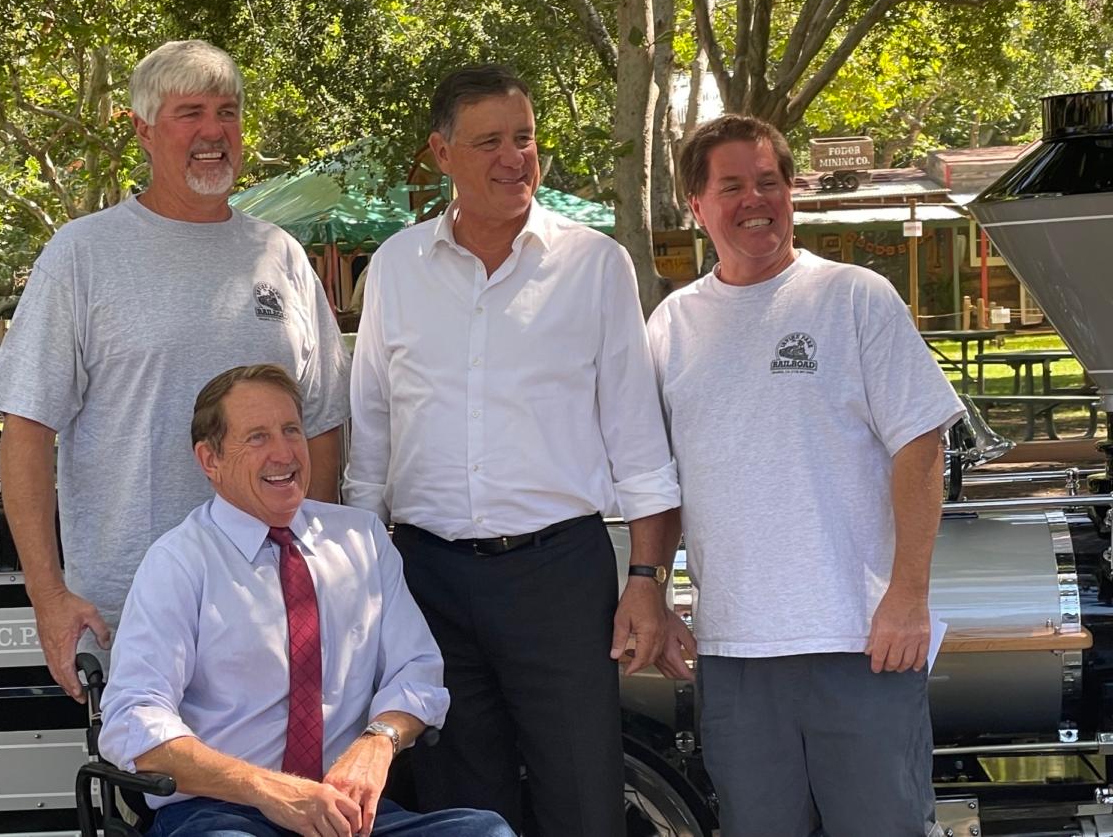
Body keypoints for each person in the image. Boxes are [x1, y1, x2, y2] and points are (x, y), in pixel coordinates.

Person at [344, 64, 687, 837]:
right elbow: (371, 436)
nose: (514, 158)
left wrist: (646, 583)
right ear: (441, 154)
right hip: (426, 577)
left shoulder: (596, 265)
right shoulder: (396, 267)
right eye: (490, 140)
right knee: (458, 805)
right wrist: (367, 582)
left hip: (559, 580)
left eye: (525, 138)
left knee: (581, 797)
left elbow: (639, 443)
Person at [0, 39, 350, 702]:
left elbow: (321, 427)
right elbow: (26, 436)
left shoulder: (281, 255)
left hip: (274, 608)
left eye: (228, 112)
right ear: (144, 131)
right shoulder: (83, 255)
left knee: (285, 794)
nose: (214, 132)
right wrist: (50, 597)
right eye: (191, 113)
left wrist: (314, 571)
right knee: (165, 802)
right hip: (135, 613)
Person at [647, 114, 963, 837]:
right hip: (733, 653)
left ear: (792, 192)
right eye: (731, 186)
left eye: (769, 182)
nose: (754, 199)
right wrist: (657, 593)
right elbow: (657, 479)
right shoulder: (670, 327)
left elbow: (921, 447)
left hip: (862, 643)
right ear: (696, 206)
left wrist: (908, 596)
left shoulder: (856, 298)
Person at [99, 364, 513, 837]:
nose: (284, 452)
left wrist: (378, 742)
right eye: (256, 437)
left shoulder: (361, 540)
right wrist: (270, 790)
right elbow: (132, 719)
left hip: (343, 814)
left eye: (291, 429)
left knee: (488, 832)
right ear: (209, 460)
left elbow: (416, 670)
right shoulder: (179, 562)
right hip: (222, 813)